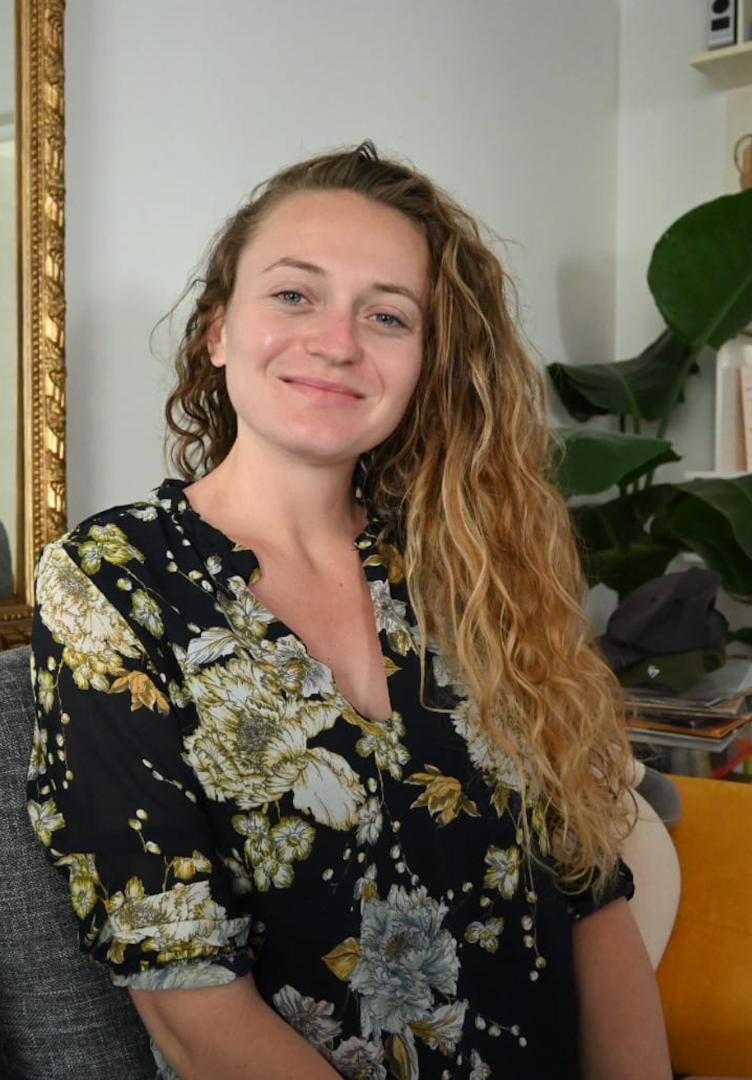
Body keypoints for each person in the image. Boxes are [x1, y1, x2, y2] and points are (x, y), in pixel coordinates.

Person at [27, 142, 672, 1080]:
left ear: (424, 364)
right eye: (295, 294)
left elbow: (592, 894)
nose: (338, 342)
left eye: (388, 315)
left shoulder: (471, 563)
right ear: (216, 330)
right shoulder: (109, 582)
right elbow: (189, 1003)